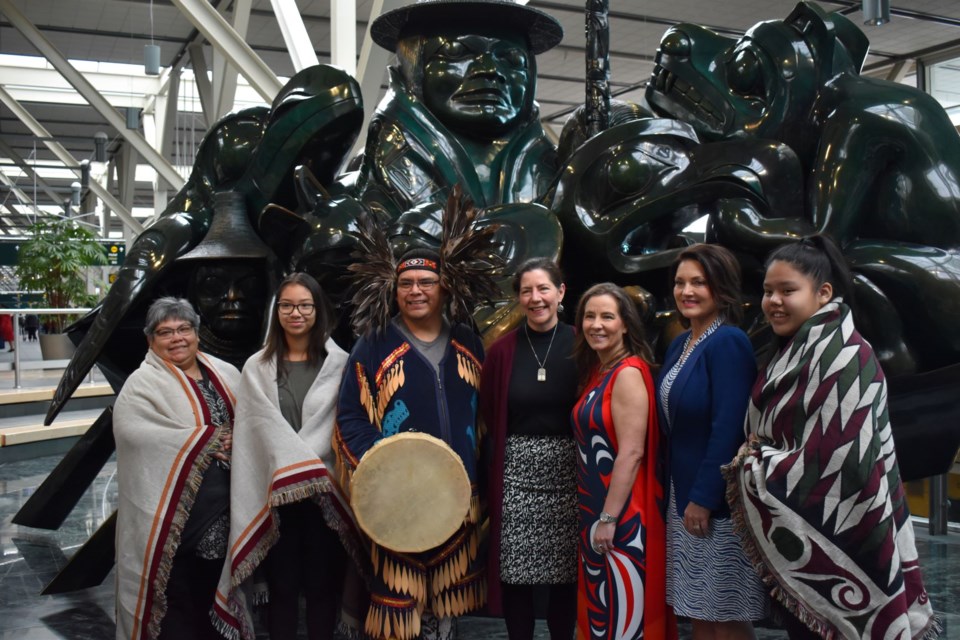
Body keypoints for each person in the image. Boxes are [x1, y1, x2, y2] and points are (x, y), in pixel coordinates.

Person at [724, 236, 941, 639]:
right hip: (806, 532)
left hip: (848, 528)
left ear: (823, 293)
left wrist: (753, 464)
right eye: (768, 291)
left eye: (788, 290)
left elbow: (843, 463)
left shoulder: (845, 357)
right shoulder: (795, 352)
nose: (773, 301)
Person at [335, 247, 487, 640]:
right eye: (406, 283)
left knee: (448, 609)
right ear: (394, 289)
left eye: (426, 282)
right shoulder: (372, 345)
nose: (415, 290)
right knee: (399, 606)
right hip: (396, 501)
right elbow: (350, 416)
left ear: (444, 287)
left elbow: (485, 415)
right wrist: (383, 464)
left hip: (459, 498)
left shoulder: (469, 342)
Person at [212, 273, 360, 640]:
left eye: (305, 305)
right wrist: (290, 466)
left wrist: (307, 466)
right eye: (288, 305)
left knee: (322, 588)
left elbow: (342, 425)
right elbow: (255, 430)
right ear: (277, 312)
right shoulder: (257, 368)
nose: (297, 313)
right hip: (273, 496)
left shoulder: (340, 365)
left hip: (326, 494)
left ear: (318, 310)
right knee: (282, 590)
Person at [113, 297, 240, 640]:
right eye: (164, 332)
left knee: (215, 597)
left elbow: (251, 421)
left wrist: (238, 438)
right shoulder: (141, 384)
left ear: (197, 334)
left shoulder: (226, 373)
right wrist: (210, 440)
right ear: (151, 341)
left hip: (227, 510)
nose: (177, 338)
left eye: (184, 329)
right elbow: (135, 435)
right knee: (176, 602)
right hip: (172, 519)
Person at [657, 244, 767, 639]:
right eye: (680, 282)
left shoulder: (729, 342)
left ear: (720, 288)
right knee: (697, 607)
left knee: (726, 611)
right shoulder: (681, 342)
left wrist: (704, 498)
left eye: (698, 283)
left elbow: (728, 428)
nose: (686, 291)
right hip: (681, 494)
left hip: (713, 503)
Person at [479, 257, 578, 640]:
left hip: (569, 472)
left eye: (543, 289)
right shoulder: (502, 351)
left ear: (560, 292)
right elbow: (490, 409)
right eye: (526, 291)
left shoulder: (581, 342)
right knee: (516, 573)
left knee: (565, 574)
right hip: (517, 471)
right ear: (518, 298)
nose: (536, 298)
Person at [571, 283, 674, 640]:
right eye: (589, 316)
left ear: (626, 324)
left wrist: (609, 519)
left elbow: (631, 453)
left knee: (621, 617)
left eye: (607, 316)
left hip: (622, 517)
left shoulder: (627, 373)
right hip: (598, 510)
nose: (596, 325)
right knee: (605, 614)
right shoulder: (601, 371)